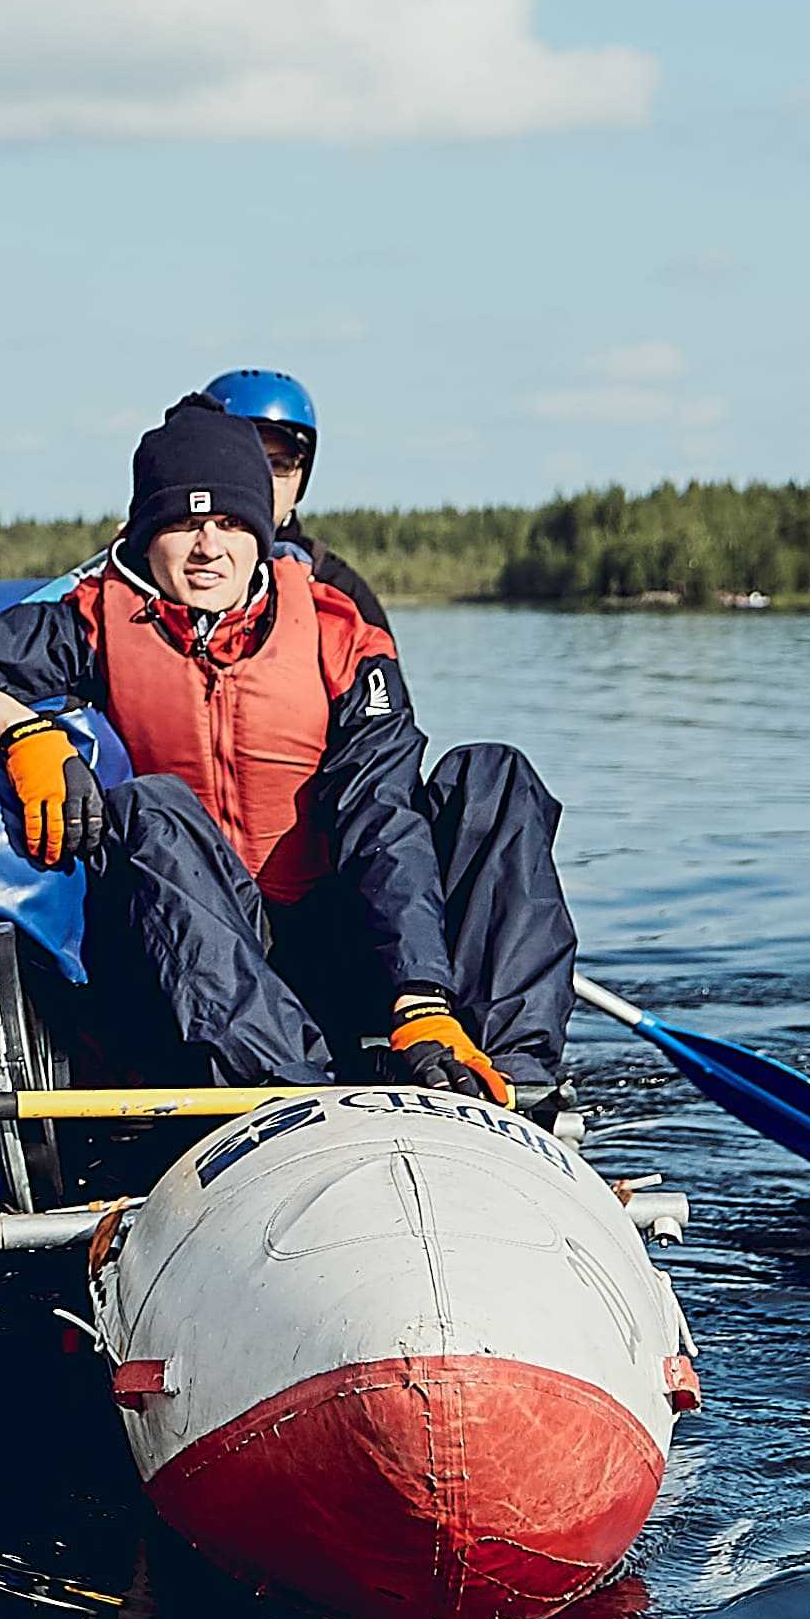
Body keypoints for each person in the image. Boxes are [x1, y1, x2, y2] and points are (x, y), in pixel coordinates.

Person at [0, 400, 508, 1099]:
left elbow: (383, 814)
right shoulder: (88, 624)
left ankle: (501, 1080)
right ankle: (286, 1090)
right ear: (143, 535)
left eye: (227, 522)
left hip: (333, 940)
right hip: (187, 960)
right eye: (182, 524)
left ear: (262, 529)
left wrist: (420, 997)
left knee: (493, 778)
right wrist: (18, 728)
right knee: (149, 805)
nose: (207, 546)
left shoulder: (341, 631)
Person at [190, 365, 585, 1098]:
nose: (266, 482)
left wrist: (417, 981)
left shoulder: (339, 600)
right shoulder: (133, 586)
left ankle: (507, 1076)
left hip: (336, 896)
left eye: (283, 464)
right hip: (208, 912)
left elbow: (379, 785)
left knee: (492, 777)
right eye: (248, 458)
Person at [195, 368, 387, 624]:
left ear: (301, 476)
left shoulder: (338, 589)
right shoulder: (155, 568)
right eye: (241, 461)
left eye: (280, 464)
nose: (261, 479)